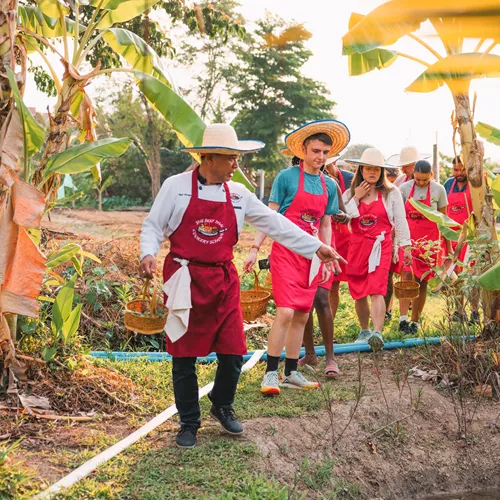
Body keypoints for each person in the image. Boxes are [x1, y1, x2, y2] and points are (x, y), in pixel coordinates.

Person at [139, 124, 343, 448]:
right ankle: (189, 422)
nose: (236, 165)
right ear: (209, 158)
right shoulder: (176, 187)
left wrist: (315, 246)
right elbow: (153, 225)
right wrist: (147, 252)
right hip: (184, 280)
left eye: (237, 158)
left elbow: (276, 224)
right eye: (231, 159)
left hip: (222, 281)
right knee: (184, 355)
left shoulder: (238, 194)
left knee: (234, 352)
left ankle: (221, 404)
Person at [244, 119, 350, 396]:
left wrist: (327, 256)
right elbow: (269, 217)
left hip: (313, 255)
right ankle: (270, 373)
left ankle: (291, 372)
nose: (321, 157)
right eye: (316, 151)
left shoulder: (329, 185)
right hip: (285, 252)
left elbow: (325, 223)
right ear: (303, 150)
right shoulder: (286, 177)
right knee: (286, 311)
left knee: (303, 314)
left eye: (325, 153)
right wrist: (255, 248)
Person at [343, 148, 412, 350]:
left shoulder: (391, 193)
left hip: (380, 246)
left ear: (382, 171)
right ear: (361, 170)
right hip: (357, 247)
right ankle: (364, 330)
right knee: (358, 292)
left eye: (376, 169)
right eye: (368, 169)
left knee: (377, 289)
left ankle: (377, 332)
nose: (372, 172)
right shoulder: (350, 193)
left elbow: (400, 221)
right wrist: (356, 197)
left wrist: (405, 246)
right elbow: (344, 218)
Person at [300, 156, 353, 377]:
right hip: (299, 245)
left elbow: (343, 214)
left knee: (322, 298)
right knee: (304, 302)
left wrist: (338, 216)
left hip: (323, 246)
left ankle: (330, 357)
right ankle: (310, 352)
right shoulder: (292, 181)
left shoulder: (331, 184)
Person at [398, 160, 451, 334]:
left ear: (431, 175)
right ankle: (403, 318)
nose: (420, 183)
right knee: (407, 276)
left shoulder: (439, 190)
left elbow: (444, 221)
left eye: (424, 180)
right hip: (408, 239)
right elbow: (398, 217)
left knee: (422, 281)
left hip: (430, 241)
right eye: (417, 179)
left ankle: (415, 321)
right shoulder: (404, 189)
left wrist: (448, 246)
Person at [443, 156, 479, 323]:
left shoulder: (475, 184)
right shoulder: (448, 185)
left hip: (471, 236)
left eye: (462, 169)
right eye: (456, 170)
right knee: (456, 276)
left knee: (472, 275)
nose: (458, 173)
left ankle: (474, 313)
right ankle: (459, 311)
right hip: (453, 237)